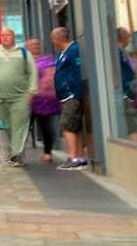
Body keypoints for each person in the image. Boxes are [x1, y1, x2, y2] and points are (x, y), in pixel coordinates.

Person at [0, 28, 37, 167]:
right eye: (2, 35)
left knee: (18, 125)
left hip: (20, 97)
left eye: (8, 35)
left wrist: (31, 91)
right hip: (0, 99)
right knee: (9, 126)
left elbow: (33, 72)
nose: (5, 37)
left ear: (13, 37)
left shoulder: (24, 53)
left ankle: (17, 154)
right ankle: (17, 150)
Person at [51, 27, 88, 170]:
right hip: (67, 95)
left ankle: (73, 157)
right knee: (75, 126)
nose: (52, 42)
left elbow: (77, 72)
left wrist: (72, 90)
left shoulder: (73, 51)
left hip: (71, 94)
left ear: (58, 39)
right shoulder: (64, 53)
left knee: (67, 125)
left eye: (53, 39)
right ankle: (79, 157)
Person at [25, 37, 60, 163]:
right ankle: (18, 152)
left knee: (45, 126)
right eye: (32, 44)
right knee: (22, 126)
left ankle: (47, 152)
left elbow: (49, 77)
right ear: (27, 47)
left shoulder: (47, 59)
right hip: (26, 99)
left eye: (37, 44)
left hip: (43, 99)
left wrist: (37, 91)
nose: (35, 46)